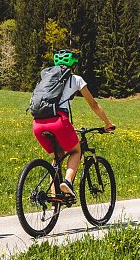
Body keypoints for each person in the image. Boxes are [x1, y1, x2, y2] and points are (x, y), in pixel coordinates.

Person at [31, 49, 115, 201]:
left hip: (37, 123)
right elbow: (94, 105)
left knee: (58, 156)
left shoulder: (46, 80)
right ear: (73, 65)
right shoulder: (76, 79)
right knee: (76, 151)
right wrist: (107, 123)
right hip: (58, 122)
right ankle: (67, 182)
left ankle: (54, 197)